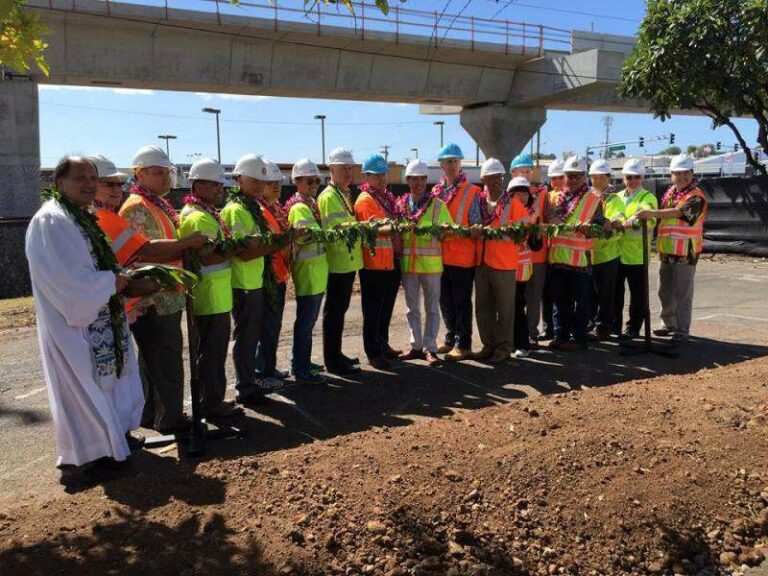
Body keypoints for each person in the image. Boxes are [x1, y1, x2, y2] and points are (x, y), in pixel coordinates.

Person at [25, 156, 157, 487]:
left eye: (92, 178)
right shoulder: (52, 222)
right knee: (83, 389)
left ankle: (114, 443)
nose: (87, 183)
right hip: (74, 325)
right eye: (79, 177)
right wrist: (112, 282)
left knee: (111, 380)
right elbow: (68, 281)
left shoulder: (82, 218)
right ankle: (90, 457)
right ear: (58, 182)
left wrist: (118, 280)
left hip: (100, 314)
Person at [119, 145, 188, 434]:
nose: (166, 178)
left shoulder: (156, 204)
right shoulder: (137, 207)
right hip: (153, 300)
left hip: (165, 296)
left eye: (167, 172)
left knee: (153, 361)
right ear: (139, 174)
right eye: (158, 173)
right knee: (165, 361)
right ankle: (170, 419)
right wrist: (187, 245)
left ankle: (151, 415)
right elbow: (145, 252)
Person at [178, 158, 242, 419]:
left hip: (215, 293)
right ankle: (210, 403)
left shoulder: (205, 214)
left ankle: (212, 399)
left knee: (213, 351)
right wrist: (239, 247)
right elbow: (209, 256)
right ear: (199, 185)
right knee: (212, 352)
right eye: (216, 185)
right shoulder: (198, 218)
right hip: (209, 295)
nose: (221, 190)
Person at [221, 154, 281, 404]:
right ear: (238, 180)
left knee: (252, 335)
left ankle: (248, 382)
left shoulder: (250, 207)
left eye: (261, 181)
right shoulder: (236, 210)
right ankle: (244, 385)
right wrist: (277, 243)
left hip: (254, 281)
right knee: (245, 337)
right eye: (253, 180)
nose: (259, 185)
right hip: (243, 283)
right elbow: (245, 252)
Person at [634, 154, 706, 343]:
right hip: (666, 250)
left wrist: (651, 213)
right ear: (671, 175)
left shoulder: (696, 196)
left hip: (685, 251)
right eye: (677, 173)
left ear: (692, 173)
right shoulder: (671, 193)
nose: (682, 177)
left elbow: (680, 213)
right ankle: (669, 324)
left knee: (682, 292)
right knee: (664, 290)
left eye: (685, 173)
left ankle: (682, 330)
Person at [548, 156, 608, 351]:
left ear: (584, 177)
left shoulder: (593, 200)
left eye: (577, 176)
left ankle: (579, 339)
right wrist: (552, 220)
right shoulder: (557, 198)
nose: (572, 180)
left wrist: (588, 228)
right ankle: (560, 334)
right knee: (560, 301)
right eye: (569, 176)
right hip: (557, 258)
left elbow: (600, 228)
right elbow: (549, 218)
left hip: (580, 260)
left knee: (581, 303)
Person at [397, 159, 453, 366]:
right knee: (412, 309)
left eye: (422, 179)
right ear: (408, 180)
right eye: (414, 179)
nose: (418, 183)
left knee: (431, 309)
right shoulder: (401, 205)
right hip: (409, 266)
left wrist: (438, 232)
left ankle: (430, 348)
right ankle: (416, 347)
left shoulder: (438, 205)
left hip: (431, 266)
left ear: (426, 180)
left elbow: (449, 232)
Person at [317, 147, 363, 375]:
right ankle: (332, 360)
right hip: (337, 263)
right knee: (334, 312)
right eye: (343, 168)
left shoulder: (343, 194)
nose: (348, 172)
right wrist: (364, 226)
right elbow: (336, 229)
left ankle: (336, 354)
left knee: (339, 311)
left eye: (350, 168)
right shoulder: (328, 196)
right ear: (332, 169)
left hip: (346, 262)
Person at [433, 143, 481, 361]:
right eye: (447, 162)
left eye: (455, 161)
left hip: (462, 257)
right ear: (441, 165)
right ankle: (451, 337)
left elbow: (476, 225)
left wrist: (457, 232)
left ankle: (464, 343)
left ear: (460, 163)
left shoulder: (472, 192)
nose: (451, 165)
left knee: (461, 301)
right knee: (445, 300)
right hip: (441, 256)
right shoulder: (436, 192)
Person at [354, 154, 402, 369]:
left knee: (385, 310)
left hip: (388, 262)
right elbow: (373, 229)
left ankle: (382, 345)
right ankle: (373, 352)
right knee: (373, 311)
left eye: (384, 174)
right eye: (377, 175)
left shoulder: (384, 198)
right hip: (374, 265)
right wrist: (396, 227)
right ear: (367, 176)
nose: (382, 178)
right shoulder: (366, 200)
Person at [472, 158, 520, 364]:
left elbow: (524, 231)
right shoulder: (479, 201)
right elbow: (472, 222)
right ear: (483, 178)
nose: (495, 181)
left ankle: (504, 347)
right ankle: (488, 345)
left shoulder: (512, 202)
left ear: (503, 178)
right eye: (490, 177)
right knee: (483, 308)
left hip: (504, 263)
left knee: (505, 309)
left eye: (498, 177)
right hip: (482, 262)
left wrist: (508, 232)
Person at [285, 158, 328, 384]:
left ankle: (303, 362)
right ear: (297, 181)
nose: (314, 184)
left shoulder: (310, 204)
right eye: (309, 180)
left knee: (308, 323)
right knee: (305, 323)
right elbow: (310, 234)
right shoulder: (300, 207)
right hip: (308, 274)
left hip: (315, 273)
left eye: (317, 180)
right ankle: (300, 368)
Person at [253, 160, 292, 385]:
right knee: (266, 327)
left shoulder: (276, 209)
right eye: (270, 183)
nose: (276, 186)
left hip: (279, 274)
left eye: (278, 182)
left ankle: (269, 367)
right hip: (268, 276)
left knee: (274, 326)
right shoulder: (260, 210)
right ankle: (262, 372)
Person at [613, 159, 658, 339]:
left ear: (642, 178)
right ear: (624, 178)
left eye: (636, 177)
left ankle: (633, 327)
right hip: (617, 252)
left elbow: (648, 215)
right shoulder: (617, 197)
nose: (632, 180)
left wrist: (635, 220)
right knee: (616, 293)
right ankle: (614, 325)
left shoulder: (647, 197)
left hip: (637, 255)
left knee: (638, 295)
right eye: (629, 177)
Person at [510, 153, 549, 349]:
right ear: (512, 173)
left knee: (534, 297)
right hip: (513, 259)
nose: (526, 174)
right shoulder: (508, 196)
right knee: (516, 300)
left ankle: (531, 333)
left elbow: (549, 218)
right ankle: (516, 336)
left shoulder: (543, 194)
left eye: (528, 170)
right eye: (521, 170)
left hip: (537, 255)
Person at [588, 158, 622, 341]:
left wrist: (602, 221)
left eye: (600, 177)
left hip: (608, 253)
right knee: (592, 294)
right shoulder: (589, 197)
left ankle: (603, 328)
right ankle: (593, 324)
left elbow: (614, 222)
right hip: (590, 252)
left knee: (606, 294)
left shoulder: (614, 198)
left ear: (608, 177)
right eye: (593, 177)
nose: (596, 181)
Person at [538, 157, 567, 341]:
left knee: (561, 296)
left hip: (563, 253)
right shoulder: (546, 196)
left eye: (560, 177)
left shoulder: (571, 197)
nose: (556, 181)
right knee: (545, 294)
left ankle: (560, 330)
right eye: (554, 178)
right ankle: (547, 327)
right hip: (547, 251)